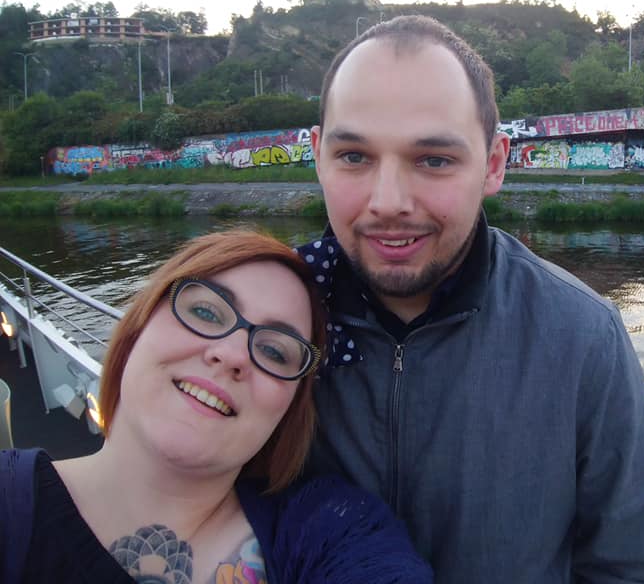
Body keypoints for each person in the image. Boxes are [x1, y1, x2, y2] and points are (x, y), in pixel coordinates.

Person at [297, 15, 644, 583]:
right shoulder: (263, 320)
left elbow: (631, 568)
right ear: (317, 155)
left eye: (434, 160)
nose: (388, 201)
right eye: (354, 156)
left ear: (494, 164)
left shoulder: (582, 336)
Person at [0, 230, 432, 584]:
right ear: (137, 327)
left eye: (276, 352)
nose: (232, 354)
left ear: (290, 408)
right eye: (206, 312)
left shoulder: (329, 530)